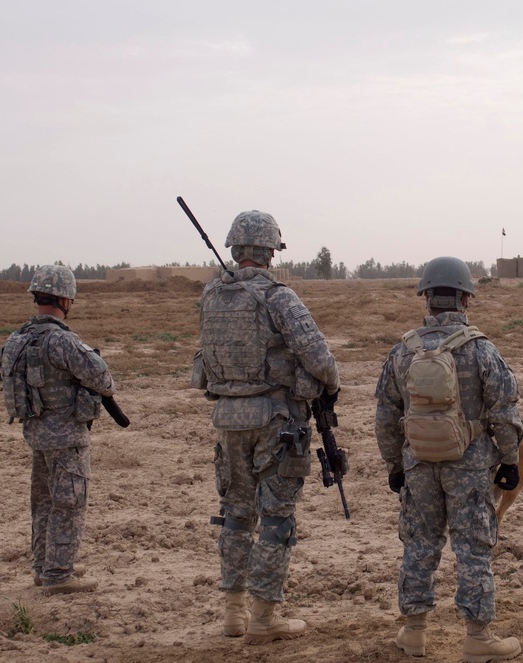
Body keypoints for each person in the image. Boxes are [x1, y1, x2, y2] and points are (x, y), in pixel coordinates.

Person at [193, 210, 339, 645]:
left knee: (235, 514)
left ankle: (233, 614)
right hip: (276, 423)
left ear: (236, 249)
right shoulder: (279, 297)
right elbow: (320, 359)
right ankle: (263, 617)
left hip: (227, 420)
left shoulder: (211, 295)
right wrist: (328, 383)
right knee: (276, 516)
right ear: (271, 250)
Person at [375, 256, 523, 662]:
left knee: (419, 545)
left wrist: (394, 466)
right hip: (470, 465)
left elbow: (386, 417)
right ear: (465, 299)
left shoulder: (402, 352)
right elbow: (504, 412)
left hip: (418, 464)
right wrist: (510, 460)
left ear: (426, 298)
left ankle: (414, 633)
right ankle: (478, 637)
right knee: (473, 547)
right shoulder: (481, 350)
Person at [0, 264, 115, 594]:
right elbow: (104, 381)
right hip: (67, 437)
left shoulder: (16, 339)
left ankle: (43, 566)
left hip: (36, 434)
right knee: (69, 503)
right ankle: (59, 574)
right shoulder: (63, 341)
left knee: (44, 503)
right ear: (65, 299)